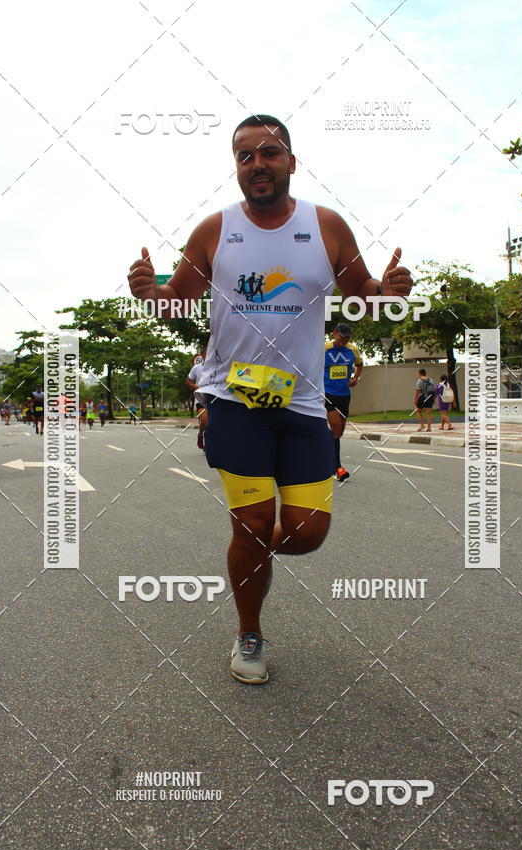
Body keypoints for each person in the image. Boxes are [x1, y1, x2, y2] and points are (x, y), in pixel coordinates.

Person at [128, 113, 413, 684]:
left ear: (290, 161)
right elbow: (173, 301)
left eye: (269, 153)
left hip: (304, 403)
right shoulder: (215, 230)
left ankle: (249, 560)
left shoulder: (326, 225)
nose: (257, 165)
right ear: (236, 168)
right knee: (253, 523)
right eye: (244, 157)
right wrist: (148, 290)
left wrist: (390, 290)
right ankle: (249, 631)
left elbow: (365, 295)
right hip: (234, 400)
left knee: (306, 532)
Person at [324, 323, 363, 482]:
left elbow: (359, 365)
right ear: (334, 334)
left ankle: (323, 449)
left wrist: (355, 378)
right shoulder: (324, 348)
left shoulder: (352, 349)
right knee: (335, 426)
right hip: (327, 392)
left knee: (338, 433)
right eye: (341, 338)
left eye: (347, 339)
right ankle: (337, 467)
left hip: (344, 394)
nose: (343, 341)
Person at [186, 355, 208, 449]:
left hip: (213, 398)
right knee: (204, 419)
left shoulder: (217, 366)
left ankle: (210, 443)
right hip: (200, 398)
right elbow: (188, 381)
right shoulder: (197, 368)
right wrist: (196, 387)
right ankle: (200, 435)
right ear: (203, 356)